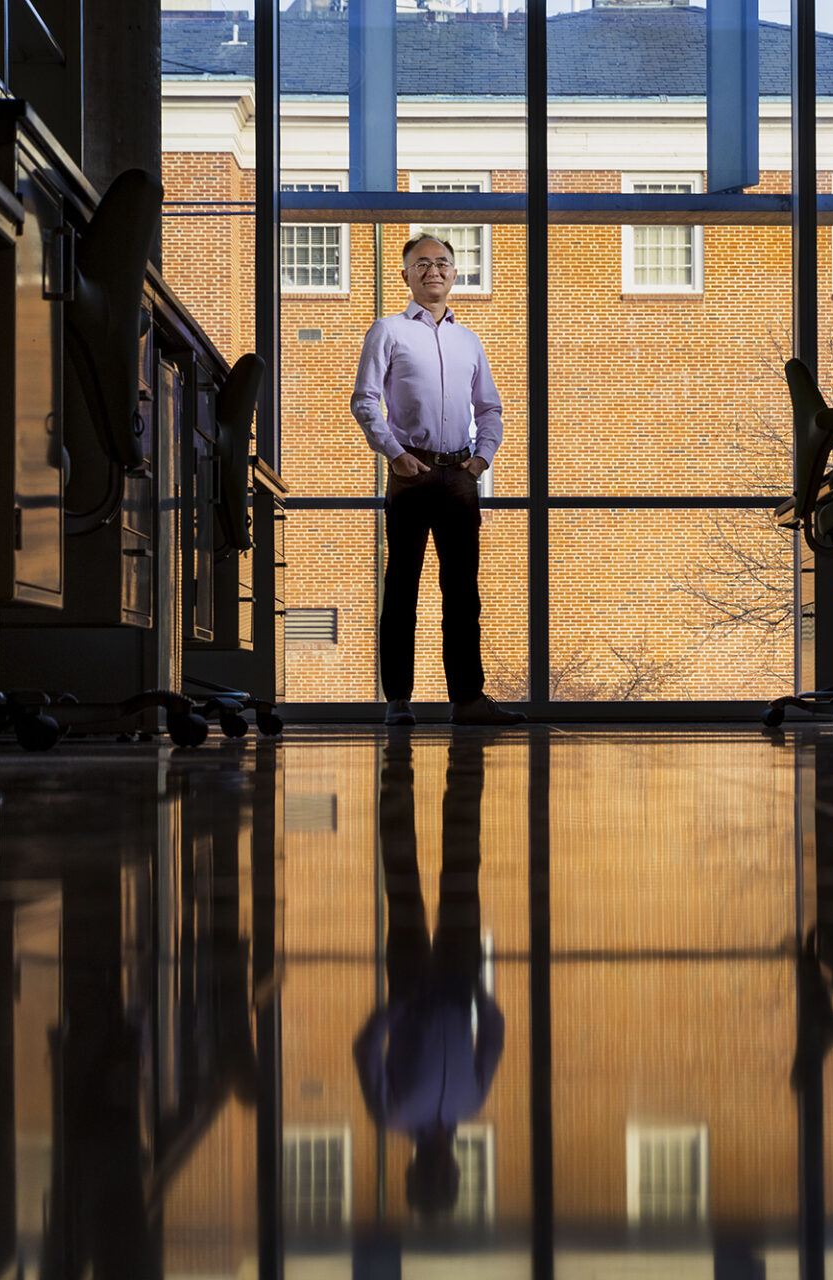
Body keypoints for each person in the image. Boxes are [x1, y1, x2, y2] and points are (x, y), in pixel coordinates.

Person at [351, 233, 526, 727]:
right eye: (422, 263)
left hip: (459, 475)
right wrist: (396, 454)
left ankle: (467, 700)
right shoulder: (387, 331)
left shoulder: (468, 340)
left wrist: (482, 459)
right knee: (401, 587)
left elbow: (489, 408)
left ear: (454, 274)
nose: (434, 270)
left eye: (443, 263)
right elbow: (365, 402)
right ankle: (398, 700)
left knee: (462, 592)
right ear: (405, 274)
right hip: (412, 473)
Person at [352, 732, 505, 1215]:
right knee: (461, 866)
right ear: (456, 1171)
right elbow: (494, 1039)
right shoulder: (470, 1105)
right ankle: (463, 773)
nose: (440, 1167)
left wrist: (400, 1007)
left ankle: (396, 774)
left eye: (431, 1175)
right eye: (445, 1176)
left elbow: (365, 1051)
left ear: (415, 1170)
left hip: (414, 982)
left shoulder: (393, 1115)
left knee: (403, 877)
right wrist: (478, 991)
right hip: (458, 984)